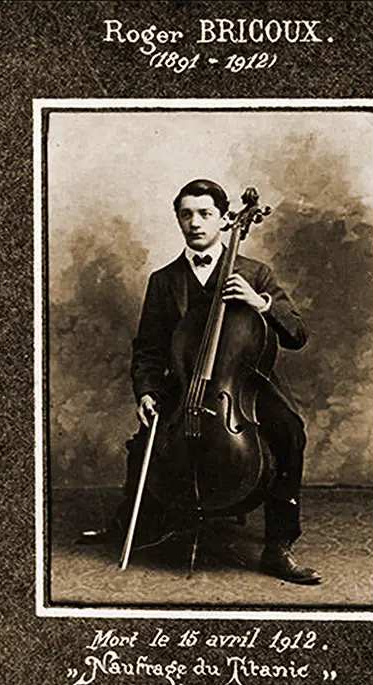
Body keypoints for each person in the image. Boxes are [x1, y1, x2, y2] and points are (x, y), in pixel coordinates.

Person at [82, 179, 321, 585]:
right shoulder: (164, 280)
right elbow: (150, 347)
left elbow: (297, 334)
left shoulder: (255, 272)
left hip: (245, 387)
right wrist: (145, 391)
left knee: (290, 433)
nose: (195, 222)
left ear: (225, 219)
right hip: (187, 383)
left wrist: (260, 303)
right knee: (146, 439)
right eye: (186, 214)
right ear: (178, 219)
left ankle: (278, 546)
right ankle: (131, 522)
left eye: (205, 214)